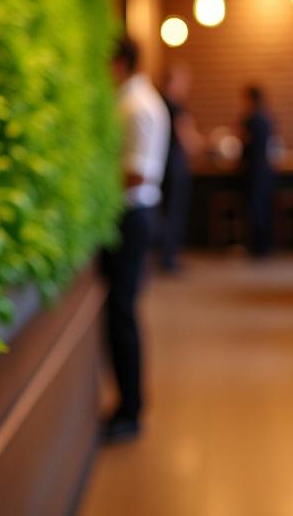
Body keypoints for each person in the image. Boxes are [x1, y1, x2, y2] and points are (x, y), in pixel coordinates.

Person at [100, 38, 170, 442]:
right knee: (121, 313)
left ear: (120, 62)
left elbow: (137, 174)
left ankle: (131, 408)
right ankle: (128, 405)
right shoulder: (135, 100)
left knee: (123, 315)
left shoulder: (137, 105)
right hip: (133, 215)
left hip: (133, 216)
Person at [158, 63, 200, 272]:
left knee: (169, 212)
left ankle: (168, 256)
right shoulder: (174, 107)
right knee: (174, 213)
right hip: (175, 167)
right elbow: (189, 141)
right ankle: (169, 258)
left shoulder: (159, 104)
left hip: (165, 167)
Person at [240, 85, 275, 256]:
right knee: (263, 208)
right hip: (266, 169)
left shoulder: (252, 118)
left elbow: (244, 141)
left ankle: (258, 248)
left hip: (254, 170)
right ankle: (265, 247)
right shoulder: (267, 117)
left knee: (256, 209)